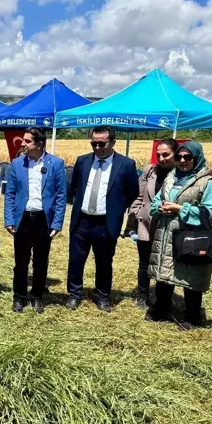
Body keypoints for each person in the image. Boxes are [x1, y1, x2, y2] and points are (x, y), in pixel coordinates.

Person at [66, 126, 139, 312]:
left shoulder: (126, 165)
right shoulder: (82, 161)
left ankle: (102, 296)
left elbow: (133, 192)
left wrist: (117, 209)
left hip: (105, 223)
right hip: (82, 221)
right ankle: (74, 295)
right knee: (75, 260)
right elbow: (74, 187)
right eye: (94, 143)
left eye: (101, 143)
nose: (97, 147)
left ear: (112, 143)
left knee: (104, 262)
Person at [147, 141, 212, 329]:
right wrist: (160, 208)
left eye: (188, 157)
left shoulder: (206, 182)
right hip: (166, 234)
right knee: (164, 274)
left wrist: (180, 208)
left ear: (197, 158)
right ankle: (161, 309)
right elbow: (155, 202)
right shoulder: (171, 177)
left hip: (191, 237)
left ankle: (192, 317)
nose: (183, 160)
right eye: (179, 157)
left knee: (190, 277)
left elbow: (208, 213)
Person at [4, 128, 66, 313]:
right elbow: (10, 194)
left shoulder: (56, 164)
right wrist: (9, 219)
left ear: (39, 144)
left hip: (43, 220)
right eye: (24, 140)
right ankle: (19, 296)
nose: (23, 144)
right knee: (21, 261)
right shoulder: (17, 164)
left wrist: (57, 223)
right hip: (22, 218)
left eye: (27, 141)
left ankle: (37, 295)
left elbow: (61, 195)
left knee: (41, 261)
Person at [124, 138, 177, 309]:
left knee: (165, 263)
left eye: (166, 154)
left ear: (175, 153)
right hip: (146, 224)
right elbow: (138, 197)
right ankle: (142, 294)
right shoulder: (149, 170)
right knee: (144, 261)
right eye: (159, 154)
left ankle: (163, 300)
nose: (162, 158)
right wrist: (132, 222)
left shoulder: (180, 175)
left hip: (168, 226)